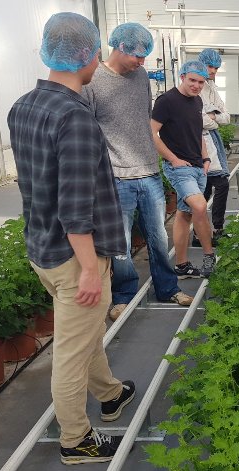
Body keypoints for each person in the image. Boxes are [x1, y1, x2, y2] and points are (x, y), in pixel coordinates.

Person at [7, 12, 135, 465]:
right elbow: (76, 207)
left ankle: (111, 393)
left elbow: (37, 182)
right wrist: (90, 271)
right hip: (74, 256)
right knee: (70, 352)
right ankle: (76, 440)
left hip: (41, 247)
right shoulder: (75, 118)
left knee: (84, 333)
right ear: (89, 55)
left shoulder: (24, 106)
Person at [83, 23, 194, 322]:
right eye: (138, 56)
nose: (142, 62)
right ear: (119, 48)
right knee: (120, 242)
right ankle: (124, 296)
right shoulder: (93, 81)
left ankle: (168, 288)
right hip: (116, 175)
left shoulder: (141, 76)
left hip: (148, 171)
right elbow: (88, 129)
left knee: (158, 236)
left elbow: (146, 119)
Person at [151, 60, 216, 278]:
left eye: (201, 82)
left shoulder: (197, 101)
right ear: (182, 77)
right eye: (192, 80)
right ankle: (209, 256)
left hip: (197, 167)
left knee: (184, 214)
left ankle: (181, 265)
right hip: (179, 169)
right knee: (199, 206)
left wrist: (206, 158)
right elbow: (151, 133)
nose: (196, 85)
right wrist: (173, 159)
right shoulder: (167, 101)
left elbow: (198, 132)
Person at [197, 48, 232, 246]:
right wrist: (213, 118)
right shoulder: (194, 87)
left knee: (220, 185)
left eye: (216, 68)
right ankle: (200, 234)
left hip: (213, 144)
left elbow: (226, 117)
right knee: (203, 190)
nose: (213, 71)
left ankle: (217, 229)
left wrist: (211, 117)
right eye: (210, 66)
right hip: (196, 143)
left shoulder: (211, 87)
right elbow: (197, 120)